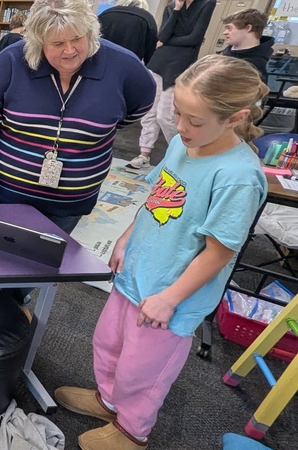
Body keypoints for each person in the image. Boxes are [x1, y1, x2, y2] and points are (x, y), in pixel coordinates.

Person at [54, 55, 268, 450]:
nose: (181, 128)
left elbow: (218, 254)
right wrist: (125, 237)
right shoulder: (185, 147)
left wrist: (169, 299)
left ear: (235, 117)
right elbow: (157, 198)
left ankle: (133, 430)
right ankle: (108, 400)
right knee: (109, 343)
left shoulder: (238, 177)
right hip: (136, 273)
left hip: (171, 296)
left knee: (144, 370)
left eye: (195, 120)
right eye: (178, 114)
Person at [0, 0, 156, 234]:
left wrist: (87, 128)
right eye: (58, 43)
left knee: (48, 263)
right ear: (38, 42)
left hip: (71, 202)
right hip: (5, 194)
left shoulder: (125, 67)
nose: (70, 50)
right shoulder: (11, 61)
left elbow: (137, 109)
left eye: (77, 38)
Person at [127, 0, 216, 170]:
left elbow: (195, 37)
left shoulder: (206, 4)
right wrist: (176, 10)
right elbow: (163, 35)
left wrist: (170, 41)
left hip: (180, 65)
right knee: (150, 113)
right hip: (159, 62)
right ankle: (144, 153)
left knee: (165, 115)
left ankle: (180, 155)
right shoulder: (173, 6)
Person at [97, 0, 157, 64]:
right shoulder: (147, 18)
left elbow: (94, 38)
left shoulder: (106, 14)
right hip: (130, 64)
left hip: (103, 61)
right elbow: (151, 49)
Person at [219, 8, 274, 80]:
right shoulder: (222, 55)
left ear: (248, 28)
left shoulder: (256, 66)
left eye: (229, 28)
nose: (225, 32)